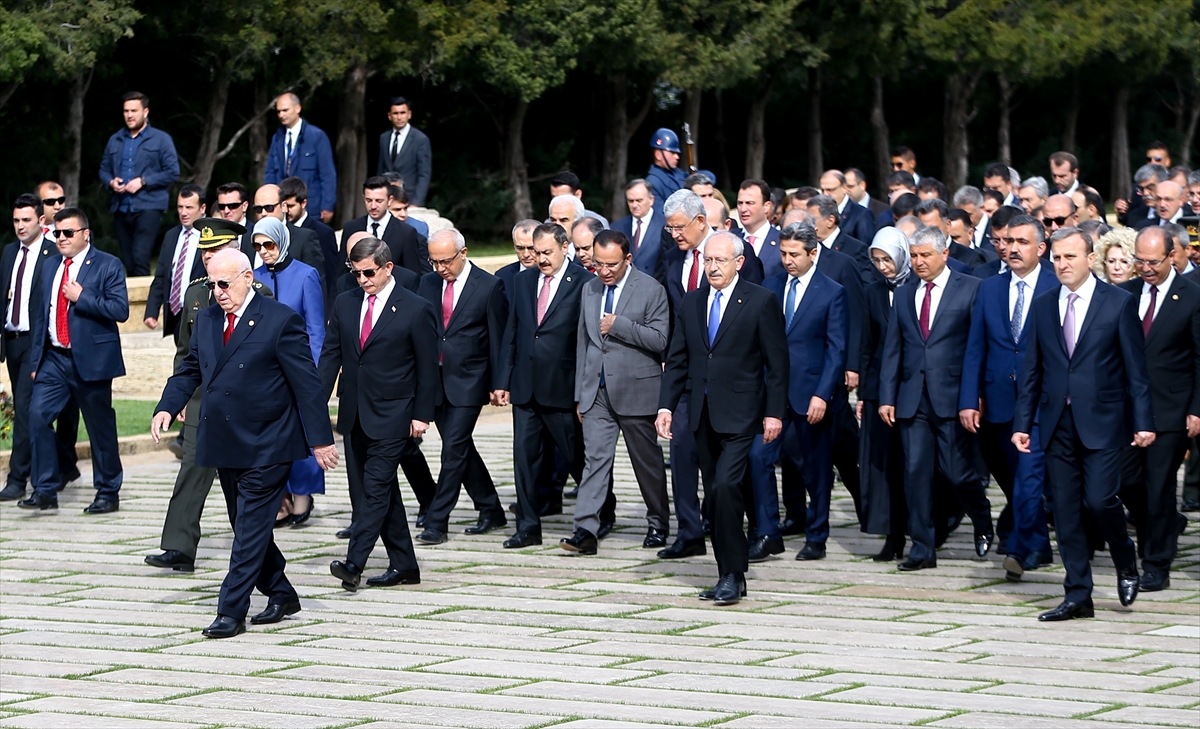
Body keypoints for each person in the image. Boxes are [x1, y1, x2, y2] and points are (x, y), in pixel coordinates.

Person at [152, 249, 337, 637]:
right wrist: (168, 406)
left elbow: (307, 386)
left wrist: (320, 441)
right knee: (245, 525)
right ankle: (282, 592)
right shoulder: (207, 320)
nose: (218, 292)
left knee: (250, 527)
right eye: (211, 284)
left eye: (224, 283)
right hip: (225, 440)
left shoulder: (280, 320)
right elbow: (189, 368)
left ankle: (230, 611)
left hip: (270, 442)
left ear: (248, 277)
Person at [1013, 227, 1153, 621]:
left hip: (1106, 421)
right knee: (1067, 511)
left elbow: (1136, 371)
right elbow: (1033, 370)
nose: (1062, 265)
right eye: (1056, 258)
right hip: (1057, 421)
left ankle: (1126, 557)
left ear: (1090, 259)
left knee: (1099, 500)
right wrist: (1023, 422)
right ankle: (1078, 595)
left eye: (1070, 257)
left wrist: (1143, 421)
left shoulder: (1118, 303)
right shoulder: (1042, 306)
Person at [656, 232, 788, 605]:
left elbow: (777, 365)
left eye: (720, 261)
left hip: (744, 413)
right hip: (702, 412)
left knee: (725, 488)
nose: (712, 267)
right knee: (714, 496)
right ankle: (726, 572)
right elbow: (678, 358)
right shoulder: (693, 302)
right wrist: (666, 406)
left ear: (738, 263)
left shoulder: (761, 301)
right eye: (708, 261)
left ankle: (734, 573)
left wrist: (774, 412)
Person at [144, 219, 275, 573]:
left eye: (215, 250)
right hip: (203, 397)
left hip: (243, 403)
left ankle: (260, 556)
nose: (207, 257)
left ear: (236, 251)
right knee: (192, 467)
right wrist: (178, 399)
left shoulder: (259, 295)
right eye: (204, 252)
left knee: (246, 483)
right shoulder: (197, 293)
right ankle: (179, 546)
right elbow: (186, 353)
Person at [318, 237, 435, 591]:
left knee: (374, 490)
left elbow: (428, 369)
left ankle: (354, 562)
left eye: (369, 272)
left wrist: (421, 414)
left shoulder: (415, 308)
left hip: (395, 415)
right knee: (376, 493)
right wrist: (314, 405)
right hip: (354, 414)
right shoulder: (345, 303)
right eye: (356, 274)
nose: (363, 280)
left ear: (387, 267)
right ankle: (405, 565)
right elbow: (330, 358)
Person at [879, 226, 995, 571]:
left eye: (925, 255)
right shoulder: (904, 294)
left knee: (957, 473)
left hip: (954, 397)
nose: (918, 262)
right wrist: (887, 396)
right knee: (915, 473)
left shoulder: (971, 289)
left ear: (945, 254)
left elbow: (979, 347)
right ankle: (922, 548)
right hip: (912, 399)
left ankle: (982, 517)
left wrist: (976, 395)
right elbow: (893, 348)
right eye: (914, 256)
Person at [960, 215, 1057, 581]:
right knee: (1013, 476)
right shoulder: (990, 288)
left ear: (1040, 248)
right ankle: (1039, 544)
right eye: (1008, 241)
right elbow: (976, 347)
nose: (1012, 248)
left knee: (1029, 476)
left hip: (1040, 399)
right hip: (997, 397)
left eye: (1022, 242)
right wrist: (970, 398)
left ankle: (1018, 546)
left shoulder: (1054, 284)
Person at [564, 231, 670, 556]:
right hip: (597, 392)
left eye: (611, 264)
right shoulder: (589, 288)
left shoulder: (652, 289)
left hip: (638, 390)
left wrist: (619, 325)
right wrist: (582, 394)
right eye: (598, 264)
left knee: (646, 462)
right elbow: (584, 343)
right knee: (594, 460)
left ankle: (658, 522)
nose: (604, 271)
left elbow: (660, 340)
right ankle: (585, 529)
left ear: (628, 259)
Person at [747, 221, 847, 562]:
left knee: (815, 468)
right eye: (783, 253)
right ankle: (768, 531)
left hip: (812, 394)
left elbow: (836, 349)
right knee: (759, 457)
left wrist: (823, 394)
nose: (787, 260)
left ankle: (816, 534)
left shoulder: (832, 291)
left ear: (812, 253)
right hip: (774, 393)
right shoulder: (771, 286)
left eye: (795, 254)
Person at [19, 208, 128, 514]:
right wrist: (36, 361)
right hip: (54, 358)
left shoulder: (108, 264)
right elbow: (41, 315)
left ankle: (108, 491)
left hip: (91, 360)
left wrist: (84, 298)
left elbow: (121, 310)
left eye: (68, 233)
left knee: (99, 428)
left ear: (85, 234)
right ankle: (44, 489)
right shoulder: (51, 265)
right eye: (57, 233)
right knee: (37, 416)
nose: (61, 238)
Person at [495, 224, 592, 548]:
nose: (541, 259)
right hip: (526, 386)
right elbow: (513, 332)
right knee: (523, 457)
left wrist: (582, 391)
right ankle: (527, 526)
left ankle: (601, 509)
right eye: (536, 253)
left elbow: (587, 340)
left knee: (575, 455)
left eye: (547, 252)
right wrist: (503, 380)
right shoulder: (523, 281)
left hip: (562, 387)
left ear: (565, 248)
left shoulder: (584, 283)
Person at [1116, 227, 1200, 592]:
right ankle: (1163, 524)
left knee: (1160, 485)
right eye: (1140, 261)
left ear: (1172, 257)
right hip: (1129, 409)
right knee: (1123, 480)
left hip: (1172, 408)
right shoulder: (1125, 294)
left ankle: (1156, 562)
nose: (1145, 268)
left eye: (1153, 262)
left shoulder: (1193, 297)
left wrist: (1196, 409)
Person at [415, 229, 509, 543]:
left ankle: (437, 520)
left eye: (446, 261)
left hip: (470, 379)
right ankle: (491, 508)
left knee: (452, 449)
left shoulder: (489, 285)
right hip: (434, 379)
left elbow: (497, 339)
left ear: (463, 253)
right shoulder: (427, 282)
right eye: (435, 261)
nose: (441, 267)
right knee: (461, 447)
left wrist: (500, 382)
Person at [0, 195, 80, 503]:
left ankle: (18, 479)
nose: (20, 226)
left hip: (37, 342)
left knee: (26, 410)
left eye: (26, 220)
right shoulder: (9, 252)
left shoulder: (51, 254)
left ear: (41, 221)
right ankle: (65, 464)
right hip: (12, 339)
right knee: (28, 411)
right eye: (16, 220)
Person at [251, 216, 325, 527]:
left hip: (299, 370)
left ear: (282, 241)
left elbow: (316, 328)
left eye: (269, 244)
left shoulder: (306, 275)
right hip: (264, 374)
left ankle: (303, 495)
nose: (264, 251)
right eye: (258, 245)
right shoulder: (253, 277)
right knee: (269, 437)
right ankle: (278, 496)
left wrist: (313, 372)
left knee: (305, 432)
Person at [859, 228, 912, 561]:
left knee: (914, 463)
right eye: (877, 260)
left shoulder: (917, 287)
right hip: (880, 387)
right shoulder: (873, 292)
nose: (883, 266)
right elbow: (866, 344)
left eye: (887, 259)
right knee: (885, 465)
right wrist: (865, 393)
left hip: (913, 384)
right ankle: (892, 535)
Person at [98, 91, 180, 276]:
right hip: (121, 207)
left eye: (134, 110)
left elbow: (173, 172)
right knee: (128, 260)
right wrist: (111, 182)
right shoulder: (115, 140)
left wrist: (144, 181)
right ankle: (133, 302)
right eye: (126, 111)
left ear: (146, 112)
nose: (129, 115)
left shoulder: (161, 139)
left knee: (140, 257)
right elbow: (103, 170)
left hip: (149, 206)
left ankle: (146, 303)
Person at [145, 186, 208, 341]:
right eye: (180, 207)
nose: (183, 212)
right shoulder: (172, 236)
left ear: (202, 208)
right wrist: (152, 310)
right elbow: (161, 276)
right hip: (177, 314)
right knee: (182, 361)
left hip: (203, 313)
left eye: (189, 207)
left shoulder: (211, 235)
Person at [264, 94, 336, 223]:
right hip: (283, 208)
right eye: (278, 111)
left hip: (311, 208)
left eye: (285, 110)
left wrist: (327, 205)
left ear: (298, 108)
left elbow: (327, 174)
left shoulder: (316, 136)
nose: (281, 115)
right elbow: (270, 173)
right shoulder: (277, 137)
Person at [244, 185, 327, 296]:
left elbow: (317, 285)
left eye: (269, 208)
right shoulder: (247, 238)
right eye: (258, 209)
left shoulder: (304, 238)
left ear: (284, 206)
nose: (263, 213)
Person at [341, 177, 430, 276]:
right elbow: (341, 270)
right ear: (363, 198)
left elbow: (412, 275)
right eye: (369, 200)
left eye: (379, 201)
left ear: (390, 200)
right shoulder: (351, 228)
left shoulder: (406, 233)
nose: (373, 206)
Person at [280, 177, 340, 297]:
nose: (286, 211)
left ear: (304, 203)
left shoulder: (322, 233)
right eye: (284, 206)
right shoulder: (278, 230)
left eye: (291, 206)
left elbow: (330, 275)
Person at [376, 96, 431, 206]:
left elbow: (424, 174)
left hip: (409, 200)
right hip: (387, 199)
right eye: (395, 113)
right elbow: (381, 170)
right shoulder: (384, 138)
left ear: (409, 114)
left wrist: (416, 203)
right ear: (389, 116)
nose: (399, 117)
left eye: (402, 113)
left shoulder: (420, 139)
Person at [611, 179, 664, 273]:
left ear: (651, 200)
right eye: (631, 201)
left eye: (639, 200)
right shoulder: (617, 227)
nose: (635, 205)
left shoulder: (665, 225)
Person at [737, 179, 782, 278]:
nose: (743, 209)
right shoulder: (730, 238)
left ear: (766, 206)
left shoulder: (782, 241)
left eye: (750, 203)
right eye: (740, 203)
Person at [820, 170, 876, 245]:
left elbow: (865, 247)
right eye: (822, 190)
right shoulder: (819, 212)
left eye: (830, 190)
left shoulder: (861, 214)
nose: (825, 194)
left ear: (844, 188)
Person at [496, 220, 540, 305]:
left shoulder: (552, 274)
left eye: (531, 248)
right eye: (520, 248)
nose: (526, 254)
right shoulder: (503, 276)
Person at [646, 128, 687, 212]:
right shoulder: (652, 182)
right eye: (672, 152)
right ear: (658, 155)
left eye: (677, 153)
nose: (677, 157)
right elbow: (660, 217)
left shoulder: (679, 173)